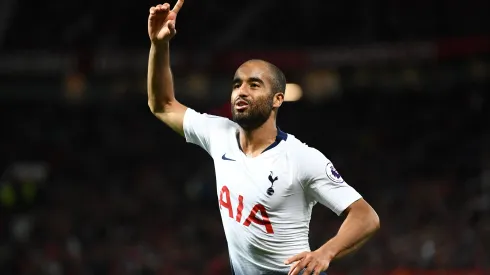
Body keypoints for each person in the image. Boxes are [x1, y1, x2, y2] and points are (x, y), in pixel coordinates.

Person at [147, 1, 380, 274]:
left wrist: (324, 253)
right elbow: (162, 104)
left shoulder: (300, 158)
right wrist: (159, 45)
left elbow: (366, 216)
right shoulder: (218, 134)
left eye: (254, 84)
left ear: (277, 99)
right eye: (237, 84)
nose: (241, 91)